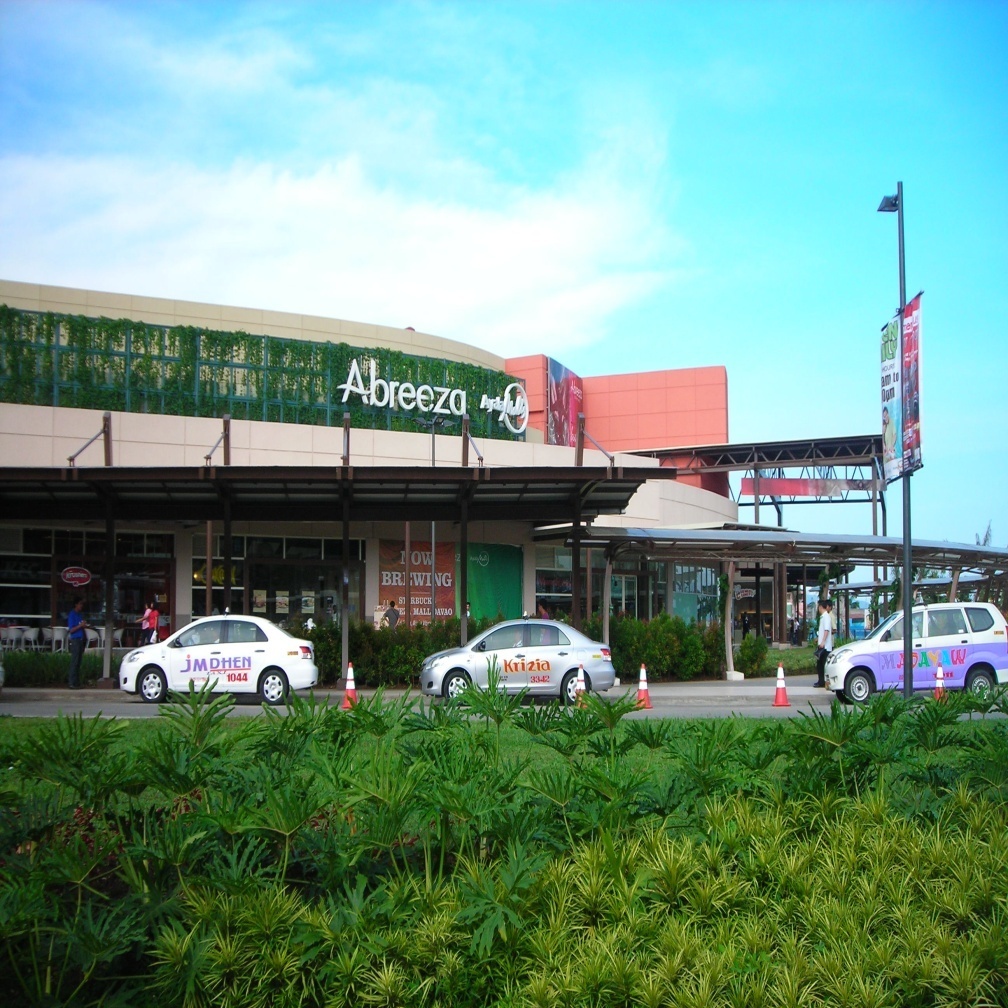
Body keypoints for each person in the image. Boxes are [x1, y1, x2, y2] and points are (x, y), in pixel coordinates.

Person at [67, 597, 90, 689]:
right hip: (75, 640)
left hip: (81, 639)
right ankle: (71, 682)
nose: (81, 606)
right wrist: (80, 625)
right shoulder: (72, 615)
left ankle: (76, 682)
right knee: (74, 661)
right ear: (76, 604)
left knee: (79, 661)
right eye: (80, 604)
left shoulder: (79, 615)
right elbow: (71, 630)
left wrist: (84, 625)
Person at [814, 598, 833, 687]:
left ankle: (824, 682)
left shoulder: (826, 617)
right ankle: (821, 681)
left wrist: (823, 642)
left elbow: (826, 630)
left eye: (819, 607)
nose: (818, 609)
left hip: (825, 646)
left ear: (821, 607)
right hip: (822, 645)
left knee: (824, 665)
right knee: (820, 665)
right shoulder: (823, 617)